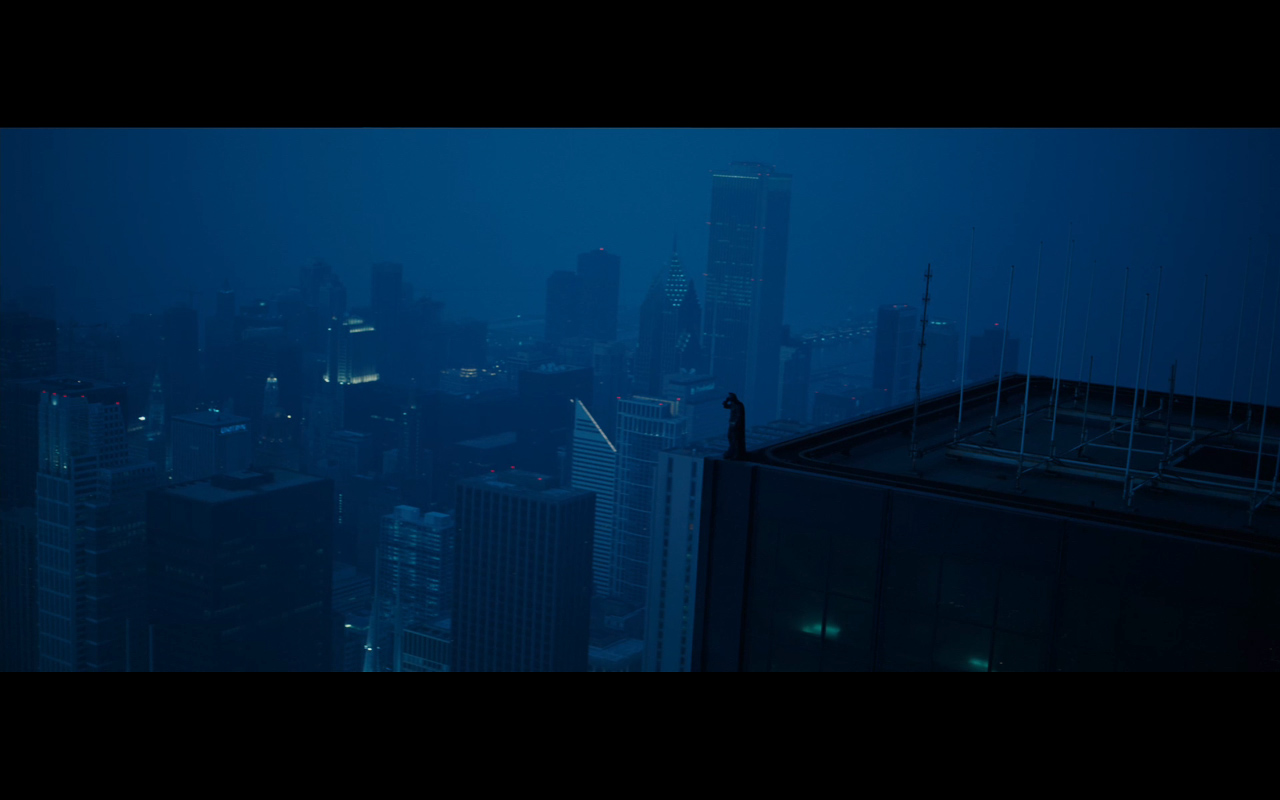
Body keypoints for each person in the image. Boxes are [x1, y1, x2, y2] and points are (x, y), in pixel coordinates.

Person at [723, 392, 746, 460]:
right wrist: (726, 400)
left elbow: (739, 416)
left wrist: (736, 423)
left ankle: (736, 454)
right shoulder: (733, 404)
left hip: (736, 425)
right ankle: (731, 451)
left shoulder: (739, 405)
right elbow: (726, 406)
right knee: (730, 437)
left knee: (736, 439)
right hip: (731, 423)